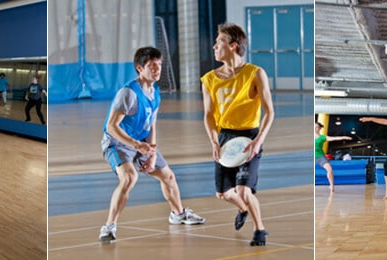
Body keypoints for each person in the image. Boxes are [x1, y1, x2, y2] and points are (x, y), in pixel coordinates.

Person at [98, 47, 206, 243]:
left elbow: (151, 123)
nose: (157, 69)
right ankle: (109, 226)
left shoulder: (154, 91)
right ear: (140, 68)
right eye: (152, 66)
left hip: (140, 142)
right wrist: (136, 145)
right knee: (130, 177)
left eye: (159, 65)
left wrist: (153, 153)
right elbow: (111, 127)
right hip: (117, 143)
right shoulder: (128, 93)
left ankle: (178, 214)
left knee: (169, 176)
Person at [201, 23, 274, 246]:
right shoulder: (209, 79)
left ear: (233, 46)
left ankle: (259, 230)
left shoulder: (255, 73)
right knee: (222, 194)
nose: (214, 46)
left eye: (219, 41)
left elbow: (269, 112)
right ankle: (243, 210)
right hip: (224, 138)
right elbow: (208, 115)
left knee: (243, 190)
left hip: (249, 138)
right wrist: (214, 141)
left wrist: (257, 142)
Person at [314, 122, 352, 193]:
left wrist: (343, 137)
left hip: (319, 156)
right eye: (314, 127)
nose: (315, 128)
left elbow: (334, 138)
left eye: (317, 127)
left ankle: (331, 185)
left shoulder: (322, 137)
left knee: (330, 169)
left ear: (319, 128)